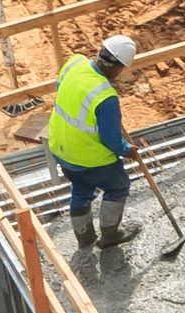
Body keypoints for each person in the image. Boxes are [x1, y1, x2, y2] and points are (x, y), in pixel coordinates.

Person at [48, 35, 142, 250]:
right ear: (117, 67)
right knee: (118, 187)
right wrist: (128, 150)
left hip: (61, 148)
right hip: (90, 158)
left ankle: (85, 238)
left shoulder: (75, 62)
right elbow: (111, 141)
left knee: (81, 190)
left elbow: (59, 85)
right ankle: (110, 235)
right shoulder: (105, 96)